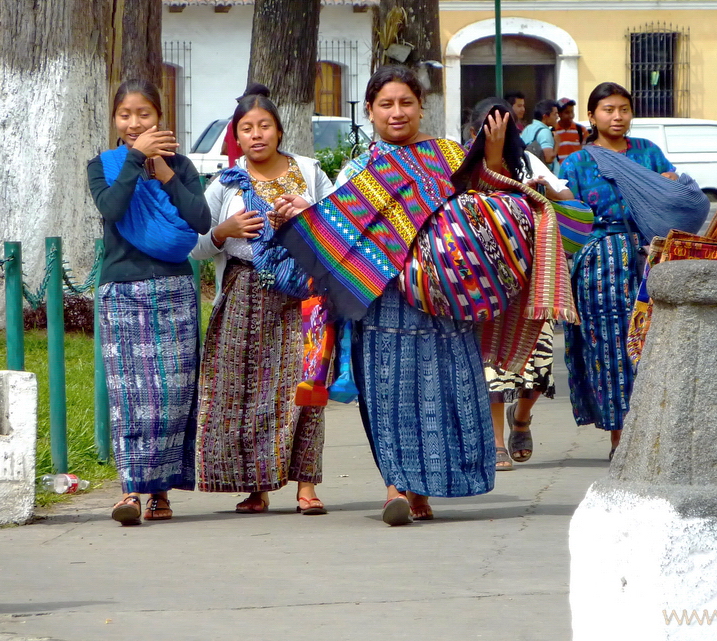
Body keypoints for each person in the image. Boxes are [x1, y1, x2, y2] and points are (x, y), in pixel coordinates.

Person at [276, 66, 576, 525]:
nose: (397, 113)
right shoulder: (360, 170)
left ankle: (423, 489)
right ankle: (397, 486)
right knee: (388, 395)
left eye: (406, 103)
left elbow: (485, 210)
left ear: (421, 107)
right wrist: (307, 216)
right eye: (386, 105)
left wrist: (492, 157)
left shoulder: (449, 156)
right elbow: (339, 234)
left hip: (444, 302)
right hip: (384, 301)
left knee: (439, 393)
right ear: (371, 113)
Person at [191, 88, 336, 515]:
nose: (256, 135)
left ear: (279, 130)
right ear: (237, 137)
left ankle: (306, 487)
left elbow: (339, 229)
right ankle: (256, 487)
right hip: (244, 293)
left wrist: (305, 213)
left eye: (264, 126)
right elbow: (195, 246)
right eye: (246, 129)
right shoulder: (225, 183)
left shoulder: (308, 172)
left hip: (304, 295)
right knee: (247, 391)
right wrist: (224, 230)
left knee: (306, 386)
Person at [89, 80, 211, 525]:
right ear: (115, 120)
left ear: (159, 116)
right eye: (125, 114)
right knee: (129, 397)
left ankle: (161, 492)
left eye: (143, 114)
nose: (134, 122)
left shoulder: (181, 165)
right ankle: (129, 492)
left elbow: (199, 220)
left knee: (173, 397)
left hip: (175, 291)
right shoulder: (103, 166)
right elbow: (114, 209)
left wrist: (166, 175)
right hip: (122, 291)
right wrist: (136, 158)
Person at [559, 82, 679, 459]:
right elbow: (569, 219)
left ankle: (652, 431)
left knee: (652, 345)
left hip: (649, 260)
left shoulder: (648, 153)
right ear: (592, 116)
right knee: (610, 347)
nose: (617, 117)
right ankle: (620, 436)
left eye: (623, 109)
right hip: (600, 266)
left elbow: (673, 195)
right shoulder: (577, 163)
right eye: (608, 109)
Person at [463, 98, 581, 470]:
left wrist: (539, 191)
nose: (496, 134)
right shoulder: (460, 166)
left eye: (505, 127)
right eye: (488, 127)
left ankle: (522, 417)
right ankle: (497, 443)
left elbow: (568, 202)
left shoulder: (528, 163)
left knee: (537, 367)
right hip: (484, 282)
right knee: (492, 369)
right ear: (472, 132)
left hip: (532, 280)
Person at [220, 83, 270, 167]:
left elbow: (224, 150)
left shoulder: (232, 124)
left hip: (235, 174)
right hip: (253, 173)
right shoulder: (262, 128)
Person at [521, 99, 559, 168]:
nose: (557, 117)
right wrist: (557, 144)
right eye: (555, 114)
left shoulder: (527, 129)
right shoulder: (545, 132)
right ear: (545, 116)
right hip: (544, 176)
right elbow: (549, 158)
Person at [553, 97, 586, 171]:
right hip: (560, 172)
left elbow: (586, 154)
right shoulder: (553, 132)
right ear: (559, 114)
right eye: (567, 112)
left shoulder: (581, 130)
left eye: (572, 112)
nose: (571, 115)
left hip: (577, 171)